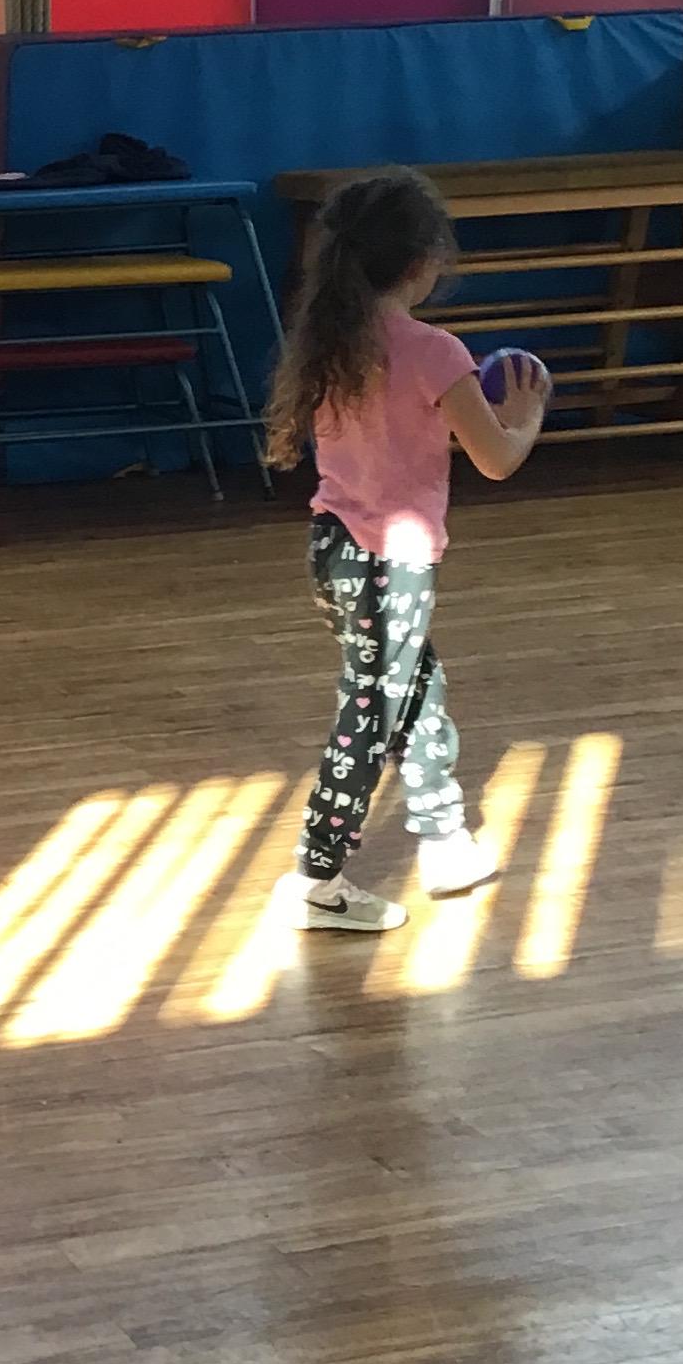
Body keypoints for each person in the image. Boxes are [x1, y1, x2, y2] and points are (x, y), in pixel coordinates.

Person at [263, 169, 550, 935]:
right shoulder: (434, 352)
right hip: (394, 565)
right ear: (424, 262)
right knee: (370, 710)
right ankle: (316, 877)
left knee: (414, 687)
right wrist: (526, 415)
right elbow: (496, 458)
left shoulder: (331, 337)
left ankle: (444, 838)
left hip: (334, 548)